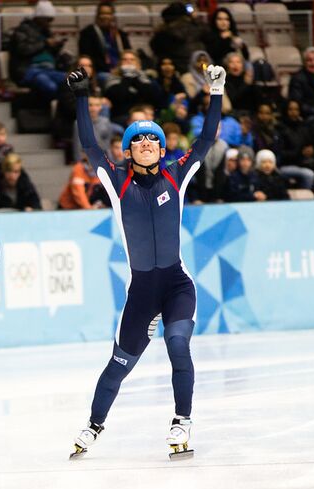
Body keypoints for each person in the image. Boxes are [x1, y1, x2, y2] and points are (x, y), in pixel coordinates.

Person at [65, 62, 225, 459]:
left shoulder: (177, 174)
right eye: (139, 141)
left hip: (176, 284)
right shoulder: (116, 181)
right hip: (140, 290)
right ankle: (93, 425)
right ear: (129, 150)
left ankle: (181, 421)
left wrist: (216, 94)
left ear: (162, 147)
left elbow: (205, 139)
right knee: (119, 365)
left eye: (153, 140)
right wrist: (83, 97)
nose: (148, 144)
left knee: (177, 344)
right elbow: (89, 146)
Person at [8, 0, 68, 101]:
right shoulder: (23, 30)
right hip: (29, 70)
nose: (49, 23)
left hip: (49, 69)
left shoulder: (47, 32)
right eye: (47, 20)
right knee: (50, 86)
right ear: (38, 18)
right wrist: (45, 43)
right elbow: (23, 50)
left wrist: (57, 46)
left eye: (51, 20)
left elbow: (51, 54)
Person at [149, 2, 208, 74]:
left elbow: (155, 48)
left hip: (178, 70)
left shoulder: (164, 32)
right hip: (200, 68)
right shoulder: (198, 27)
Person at [103, 50, 159, 126]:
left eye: (132, 59)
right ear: (120, 63)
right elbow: (118, 97)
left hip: (144, 114)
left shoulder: (144, 77)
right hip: (121, 115)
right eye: (125, 59)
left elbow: (150, 96)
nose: (128, 62)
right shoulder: (113, 78)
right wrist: (127, 76)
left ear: (138, 63)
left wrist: (134, 77)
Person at [78, 2, 130, 77]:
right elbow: (87, 57)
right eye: (102, 13)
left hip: (122, 70)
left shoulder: (120, 34)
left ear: (112, 16)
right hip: (100, 72)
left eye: (108, 14)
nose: (105, 16)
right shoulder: (88, 33)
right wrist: (109, 70)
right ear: (97, 15)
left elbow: (128, 51)